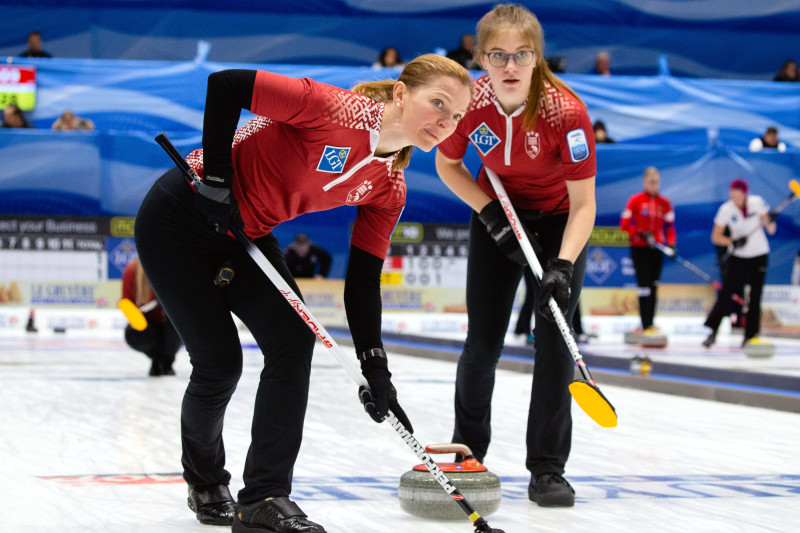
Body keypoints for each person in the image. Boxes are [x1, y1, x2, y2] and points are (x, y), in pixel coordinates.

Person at [134, 55, 472, 531]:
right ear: (400, 93)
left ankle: (264, 498)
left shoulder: (388, 186)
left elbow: (362, 280)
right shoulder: (336, 110)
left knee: (293, 342)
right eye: (438, 103)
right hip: (181, 217)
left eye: (456, 115)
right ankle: (207, 481)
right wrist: (215, 178)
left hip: (246, 234)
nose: (446, 122)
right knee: (219, 364)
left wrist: (375, 367)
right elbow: (227, 83)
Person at [435, 4, 596, 508]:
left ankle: (548, 469)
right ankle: (468, 454)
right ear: (480, 57)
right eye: (499, 55)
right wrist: (489, 214)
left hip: (558, 224)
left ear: (536, 58)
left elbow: (586, 204)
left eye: (521, 54)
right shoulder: (470, 103)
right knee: (482, 342)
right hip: (496, 216)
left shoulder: (564, 113)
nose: (510, 66)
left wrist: (563, 265)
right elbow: (447, 163)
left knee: (553, 346)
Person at [702, 178, 776, 348]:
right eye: (732, 196)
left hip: (759, 254)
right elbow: (716, 236)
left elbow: (771, 229)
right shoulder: (726, 210)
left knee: (756, 295)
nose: (735, 200)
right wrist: (732, 242)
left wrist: (770, 219)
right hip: (738, 256)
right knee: (727, 291)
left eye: (738, 196)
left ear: (745, 194)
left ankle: (750, 335)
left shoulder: (756, 203)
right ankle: (712, 330)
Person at [620, 166, 676, 337]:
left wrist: (672, 245)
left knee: (653, 285)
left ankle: (650, 323)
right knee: (643, 286)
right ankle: (644, 323)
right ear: (645, 182)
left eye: (657, 182)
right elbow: (624, 225)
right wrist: (638, 233)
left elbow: (670, 227)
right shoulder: (635, 200)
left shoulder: (664, 203)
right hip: (639, 248)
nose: (654, 185)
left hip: (656, 249)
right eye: (651, 182)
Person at [121, 256, 182, 376]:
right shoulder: (133, 269)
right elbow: (126, 303)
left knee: (177, 329)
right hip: (147, 324)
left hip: (172, 322)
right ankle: (159, 360)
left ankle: (164, 361)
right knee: (135, 334)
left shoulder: (175, 266)